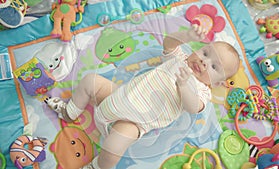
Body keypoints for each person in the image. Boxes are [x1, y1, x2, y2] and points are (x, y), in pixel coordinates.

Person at [44, 24, 240, 169]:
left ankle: (97, 166)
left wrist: (184, 85)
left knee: (114, 144)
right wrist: (187, 35)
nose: (204, 62)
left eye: (214, 67)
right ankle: (70, 111)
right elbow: (169, 43)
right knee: (90, 80)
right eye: (205, 52)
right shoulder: (180, 59)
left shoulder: (202, 91)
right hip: (118, 95)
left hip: (134, 121)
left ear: (217, 83)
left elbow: (191, 106)